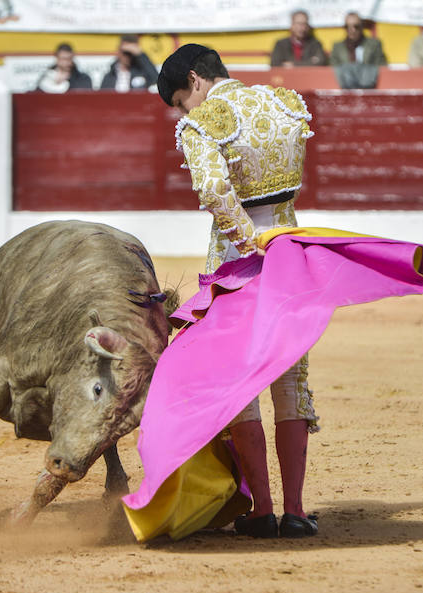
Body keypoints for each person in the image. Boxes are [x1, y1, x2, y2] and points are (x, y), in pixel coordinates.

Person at [156, 44, 319, 538]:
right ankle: (295, 511)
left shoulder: (206, 123)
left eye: (184, 101)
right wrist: (276, 243)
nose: (186, 112)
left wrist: (253, 244)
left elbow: (214, 193)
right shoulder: (286, 104)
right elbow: (292, 182)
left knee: (239, 380)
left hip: (239, 262)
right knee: (290, 378)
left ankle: (261, 511)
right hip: (293, 255)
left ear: (195, 80)